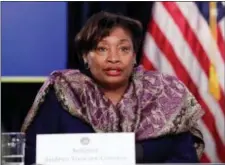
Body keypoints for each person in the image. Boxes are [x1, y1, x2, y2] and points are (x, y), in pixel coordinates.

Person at [21, 11, 205, 165]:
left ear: (134, 56)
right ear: (85, 56)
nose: (114, 58)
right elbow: (31, 154)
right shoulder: (63, 91)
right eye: (102, 49)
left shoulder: (164, 93)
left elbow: (184, 158)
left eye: (124, 49)